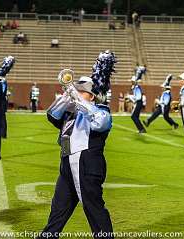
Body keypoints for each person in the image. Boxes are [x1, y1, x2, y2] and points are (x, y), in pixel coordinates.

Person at [38, 51, 116, 239]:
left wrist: (79, 99)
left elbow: (99, 123)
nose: (77, 92)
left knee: (94, 208)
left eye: (82, 90)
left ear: (92, 95)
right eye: (77, 89)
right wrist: (68, 94)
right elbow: (52, 114)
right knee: (59, 208)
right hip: (67, 162)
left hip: (87, 164)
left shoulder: (101, 111)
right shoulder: (70, 111)